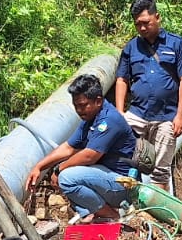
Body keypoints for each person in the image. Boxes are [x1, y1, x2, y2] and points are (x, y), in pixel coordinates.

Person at [26, 75, 137, 221]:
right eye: (76, 105)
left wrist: (59, 169)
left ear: (98, 101)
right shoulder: (90, 118)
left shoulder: (109, 119)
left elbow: (90, 155)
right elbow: (68, 148)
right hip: (107, 178)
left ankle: (112, 216)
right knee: (66, 174)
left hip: (123, 185)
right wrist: (39, 166)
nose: (79, 110)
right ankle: (94, 214)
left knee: (66, 178)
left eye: (83, 105)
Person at [115, 0, 182, 187]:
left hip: (167, 117)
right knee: (123, 157)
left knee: (160, 170)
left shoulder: (176, 44)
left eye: (146, 23)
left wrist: (180, 115)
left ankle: (156, 211)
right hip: (138, 114)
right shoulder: (131, 47)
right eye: (138, 25)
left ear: (157, 17)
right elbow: (122, 79)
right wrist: (120, 112)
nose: (142, 28)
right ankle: (126, 203)